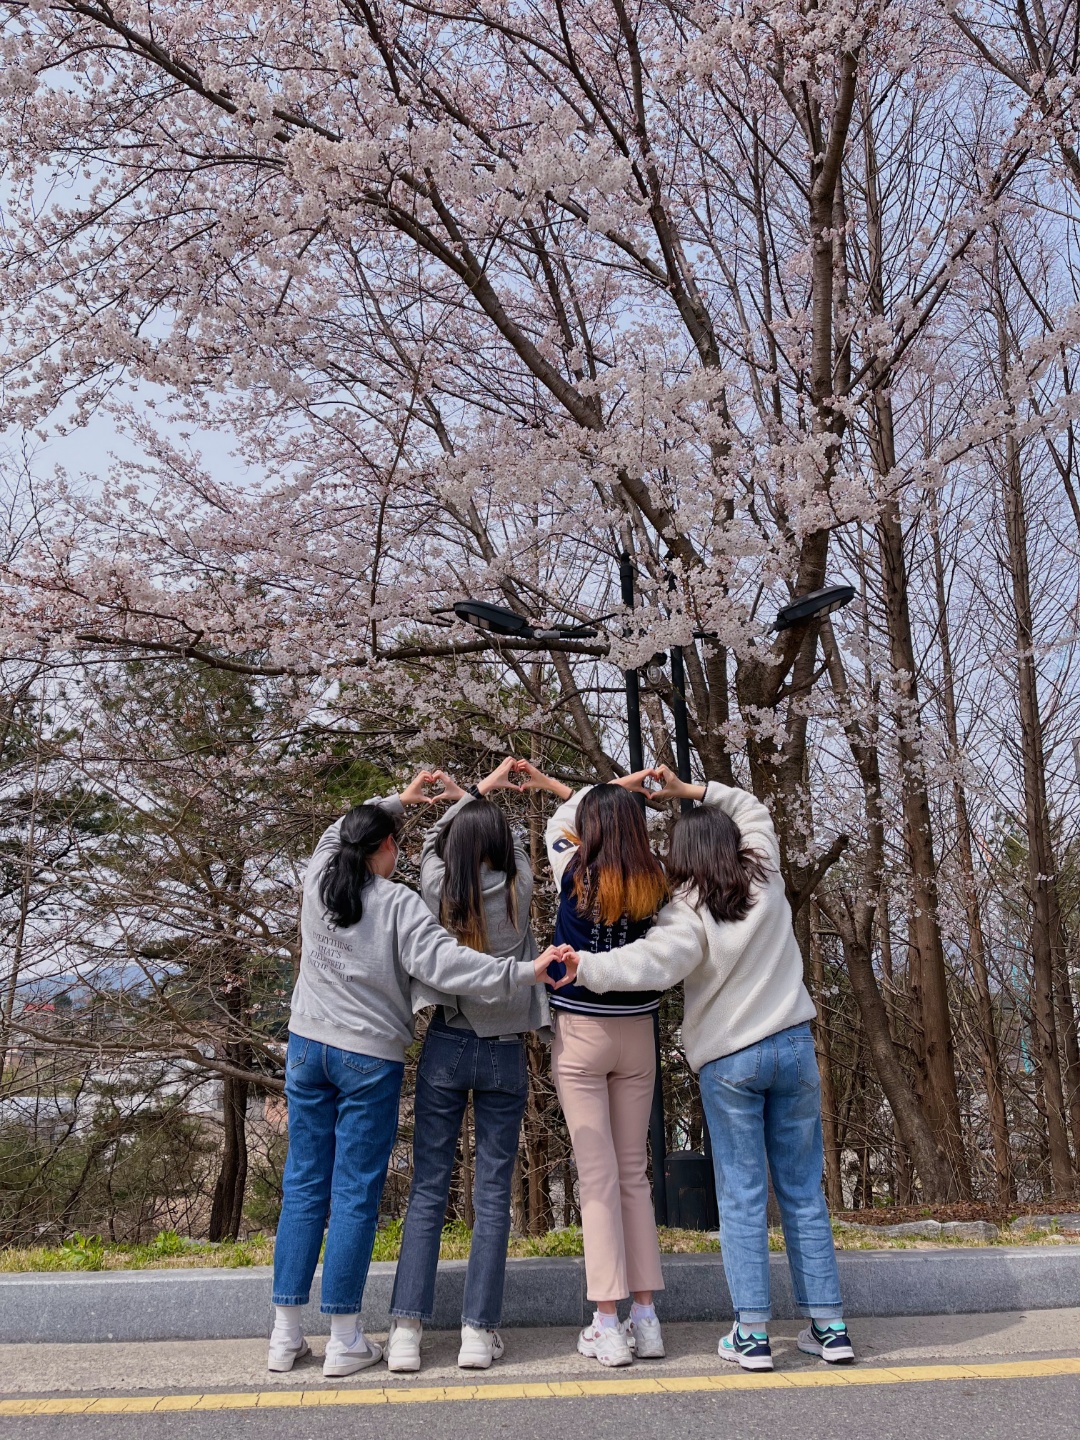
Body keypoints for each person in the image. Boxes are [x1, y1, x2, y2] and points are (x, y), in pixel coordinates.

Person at [268, 771, 568, 1378]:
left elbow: (343, 829)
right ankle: (347, 1335)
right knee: (356, 1193)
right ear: (382, 850)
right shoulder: (406, 903)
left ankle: (287, 1335)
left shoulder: (320, 873)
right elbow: (454, 964)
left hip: (306, 1046)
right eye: (392, 842)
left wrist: (400, 800)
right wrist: (524, 974)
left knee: (304, 1186)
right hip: (370, 1057)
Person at [560, 765, 855, 1372]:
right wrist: (689, 790)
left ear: (681, 857)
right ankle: (829, 1327)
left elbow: (647, 965)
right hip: (794, 1046)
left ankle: (752, 1335)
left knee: (743, 1194)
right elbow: (753, 808)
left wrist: (583, 968)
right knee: (804, 1192)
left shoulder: (685, 909)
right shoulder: (767, 875)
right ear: (733, 843)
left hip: (730, 1061)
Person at [386, 758, 550, 1374]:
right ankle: (478, 1333)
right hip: (505, 1047)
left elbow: (431, 840)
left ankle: (406, 1330)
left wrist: (467, 793)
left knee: (428, 1188)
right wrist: (485, 797)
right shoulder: (520, 886)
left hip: (447, 1043)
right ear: (504, 847)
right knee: (492, 1193)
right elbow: (515, 846)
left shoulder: (435, 888)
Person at [513, 760, 669, 1368]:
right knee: (634, 1175)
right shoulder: (658, 881)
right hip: (639, 1034)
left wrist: (610, 788)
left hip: (581, 1033)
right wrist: (628, 793)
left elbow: (561, 815)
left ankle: (607, 1321)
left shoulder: (571, 867)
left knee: (597, 1178)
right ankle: (647, 1317)